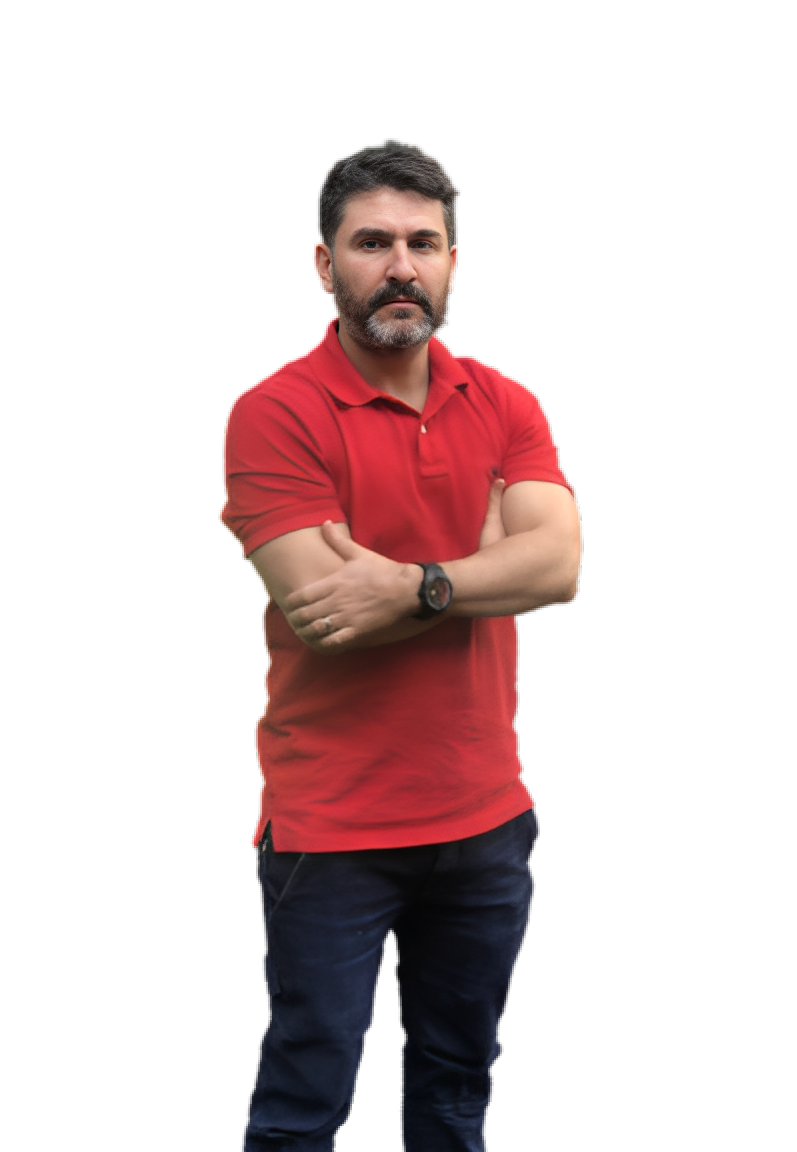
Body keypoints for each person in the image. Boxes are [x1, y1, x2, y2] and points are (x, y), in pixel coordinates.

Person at [220, 138, 583, 1152]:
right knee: (305, 1104)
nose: (400, 266)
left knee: (458, 1095)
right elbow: (321, 611)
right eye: (371, 242)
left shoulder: (505, 401)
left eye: (424, 243)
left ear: (453, 264)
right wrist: (485, 570)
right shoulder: (274, 413)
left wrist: (412, 583)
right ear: (324, 264)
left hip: (486, 817)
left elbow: (559, 569)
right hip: (332, 826)